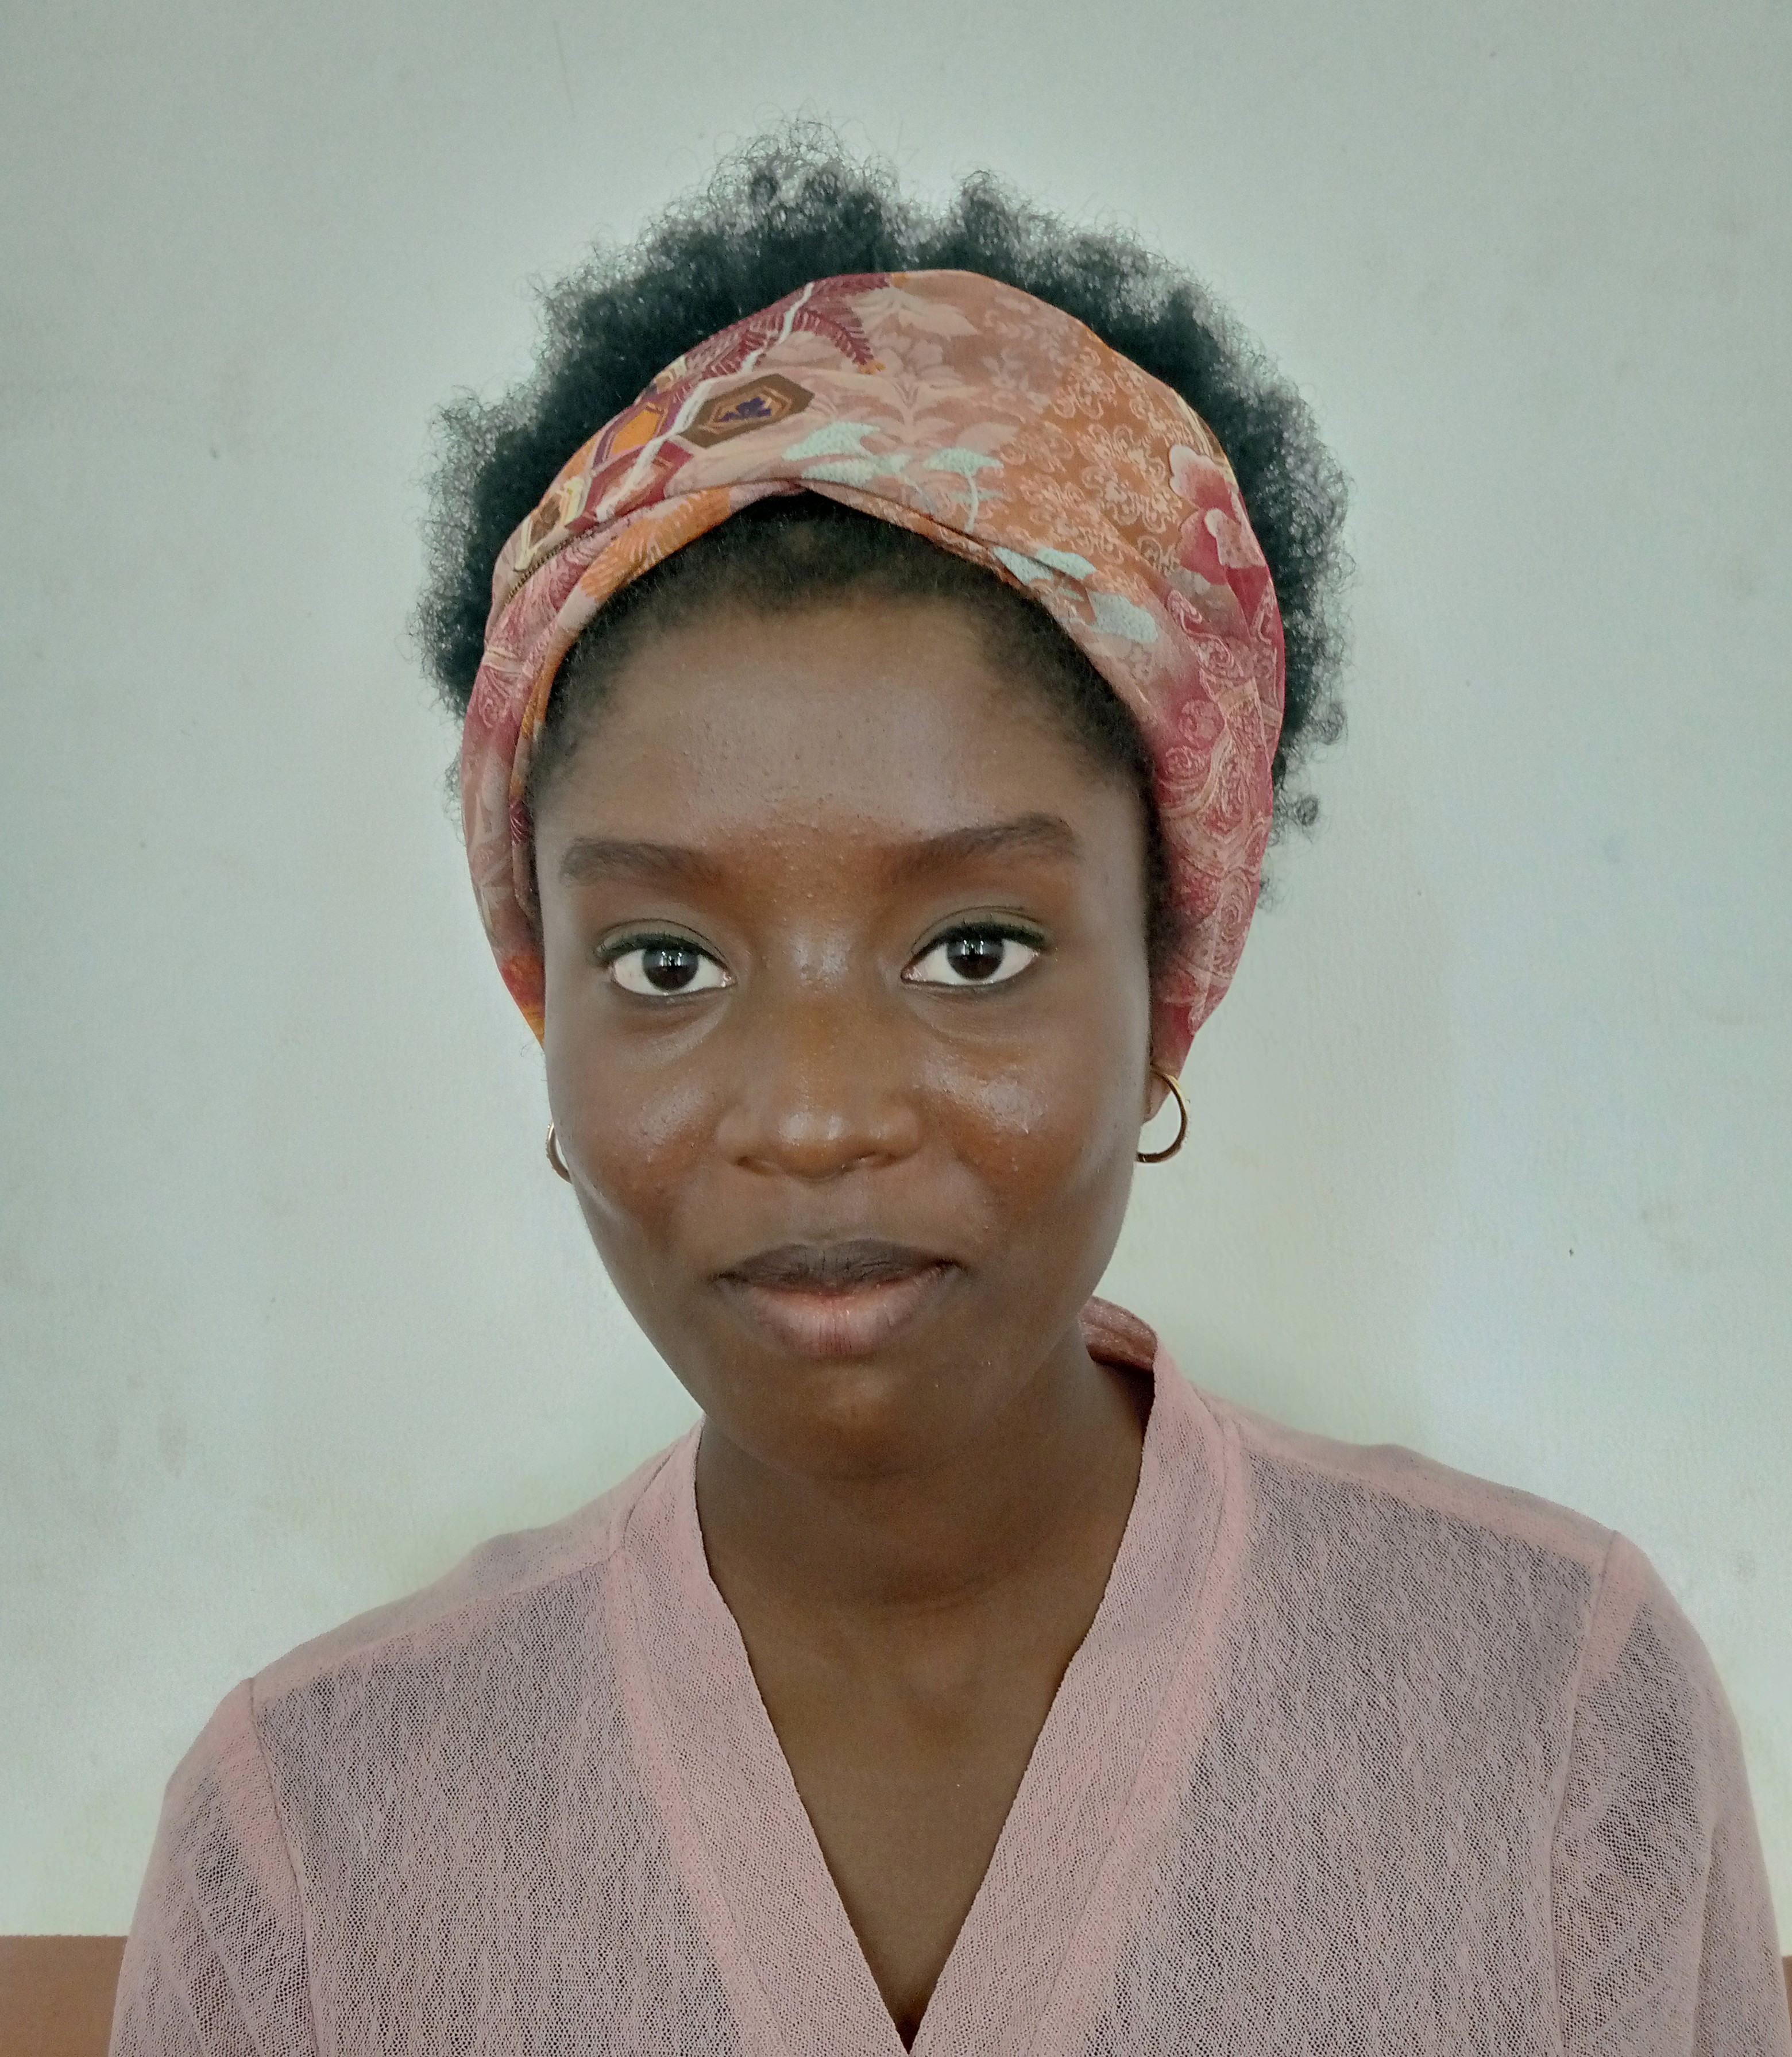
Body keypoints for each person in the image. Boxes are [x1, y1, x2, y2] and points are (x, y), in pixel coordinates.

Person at [111, 133, 1787, 2056]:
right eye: (667, 965)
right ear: (541, 997)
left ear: (1167, 985)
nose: (817, 1116)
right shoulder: (309, 1841)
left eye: (972, 949)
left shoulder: (1558, 1717)